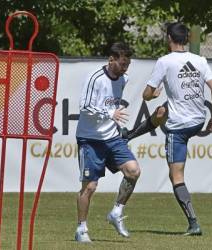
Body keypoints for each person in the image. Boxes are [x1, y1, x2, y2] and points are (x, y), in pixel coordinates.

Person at [127, 22, 212, 236]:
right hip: (198, 120)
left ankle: (193, 223)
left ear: (169, 38)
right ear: (186, 40)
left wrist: (153, 94)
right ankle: (130, 135)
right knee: (161, 112)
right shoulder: (200, 60)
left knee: (176, 177)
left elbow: (146, 94)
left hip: (178, 127)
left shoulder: (164, 62)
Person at [75, 42, 141, 242]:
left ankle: (117, 212)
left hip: (112, 137)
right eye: (122, 64)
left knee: (133, 171)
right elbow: (84, 106)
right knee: (90, 187)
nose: (125, 68)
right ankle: (81, 229)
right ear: (111, 60)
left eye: (127, 64)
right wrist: (110, 113)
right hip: (90, 139)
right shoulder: (96, 78)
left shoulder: (124, 78)